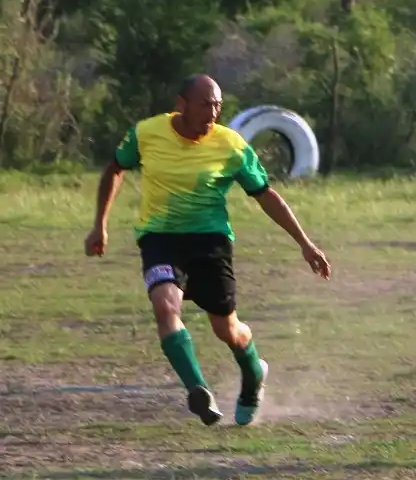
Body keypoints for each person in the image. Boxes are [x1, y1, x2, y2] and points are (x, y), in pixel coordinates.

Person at [84, 74, 331, 427]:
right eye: (205, 104)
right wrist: (100, 224)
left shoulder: (231, 146)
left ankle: (254, 373)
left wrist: (305, 243)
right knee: (165, 305)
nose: (212, 112)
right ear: (181, 105)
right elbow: (115, 169)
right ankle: (198, 389)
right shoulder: (147, 133)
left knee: (227, 329)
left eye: (217, 105)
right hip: (160, 239)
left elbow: (266, 195)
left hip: (211, 243)